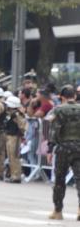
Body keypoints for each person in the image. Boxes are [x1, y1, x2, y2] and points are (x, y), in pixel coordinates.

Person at [48, 85, 80, 220]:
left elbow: (53, 130)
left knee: (60, 180)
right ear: (75, 96)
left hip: (63, 148)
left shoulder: (58, 110)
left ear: (62, 97)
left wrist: (50, 149)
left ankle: (58, 210)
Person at [2, 95, 27, 183]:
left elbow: (22, 125)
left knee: (14, 156)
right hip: (9, 135)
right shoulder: (11, 114)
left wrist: (21, 133)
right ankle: (13, 175)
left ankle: (16, 176)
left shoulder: (17, 114)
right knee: (10, 156)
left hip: (15, 137)